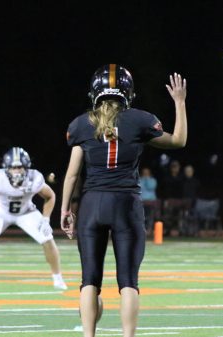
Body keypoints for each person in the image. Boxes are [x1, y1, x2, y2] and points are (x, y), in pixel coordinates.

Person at [60, 65, 187, 337]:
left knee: (89, 281)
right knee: (128, 282)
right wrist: (179, 103)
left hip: (92, 205)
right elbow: (178, 140)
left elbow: (72, 175)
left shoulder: (81, 124)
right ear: (127, 92)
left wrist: (65, 209)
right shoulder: (141, 120)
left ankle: (88, 335)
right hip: (126, 205)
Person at [0, 147, 67, 291]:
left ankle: (58, 279)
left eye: (20, 167)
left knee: (47, 238)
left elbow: (50, 196)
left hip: (26, 212)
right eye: (13, 167)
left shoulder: (34, 178)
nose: (17, 171)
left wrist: (46, 219)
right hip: (1, 212)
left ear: (27, 167)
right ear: (6, 168)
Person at [139, 168, 158, 232]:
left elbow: (151, 187)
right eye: (144, 172)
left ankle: (149, 229)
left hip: (150, 202)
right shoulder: (139, 180)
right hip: (141, 201)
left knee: (150, 216)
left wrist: (147, 179)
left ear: (149, 173)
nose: (145, 173)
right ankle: (142, 229)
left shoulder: (152, 180)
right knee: (141, 216)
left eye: (147, 172)